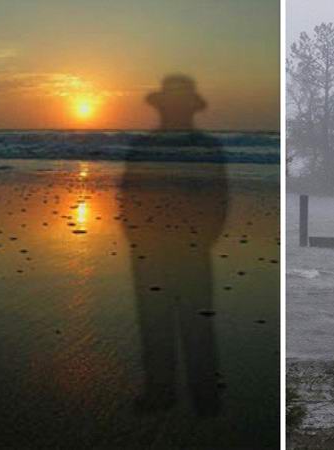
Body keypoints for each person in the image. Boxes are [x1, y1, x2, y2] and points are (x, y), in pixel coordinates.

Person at [122, 75, 228, 416]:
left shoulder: (202, 149)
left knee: (191, 325)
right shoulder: (146, 148)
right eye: (174, 106)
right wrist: (139, 240)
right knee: (159, 325)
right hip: (158, 250)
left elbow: (217, 202)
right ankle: (170, 393)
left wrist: (201, 240)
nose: (176, 111)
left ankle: (198, 396)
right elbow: (128, 200)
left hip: (183, 250)